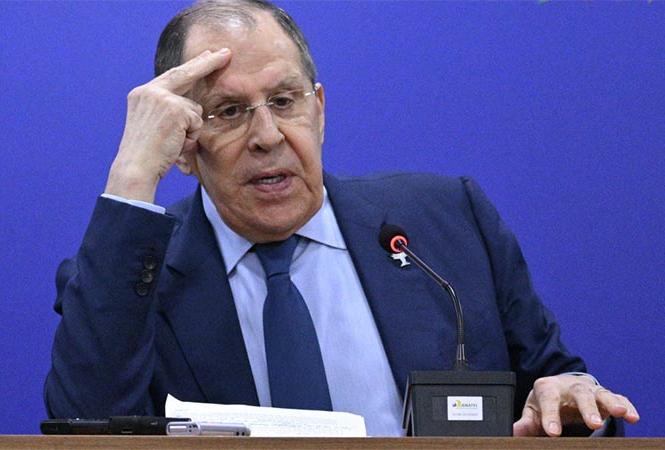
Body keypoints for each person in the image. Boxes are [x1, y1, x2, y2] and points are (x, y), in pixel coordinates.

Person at [44, 0, 639, 437]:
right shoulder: (128, 279)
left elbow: (561, 395)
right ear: (184, 145)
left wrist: (572, 404)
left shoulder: (450, 224)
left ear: (320, 110)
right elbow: (84, 426)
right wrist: (131, 177)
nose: (268, 136)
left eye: (284, 101)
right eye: (229, 111)